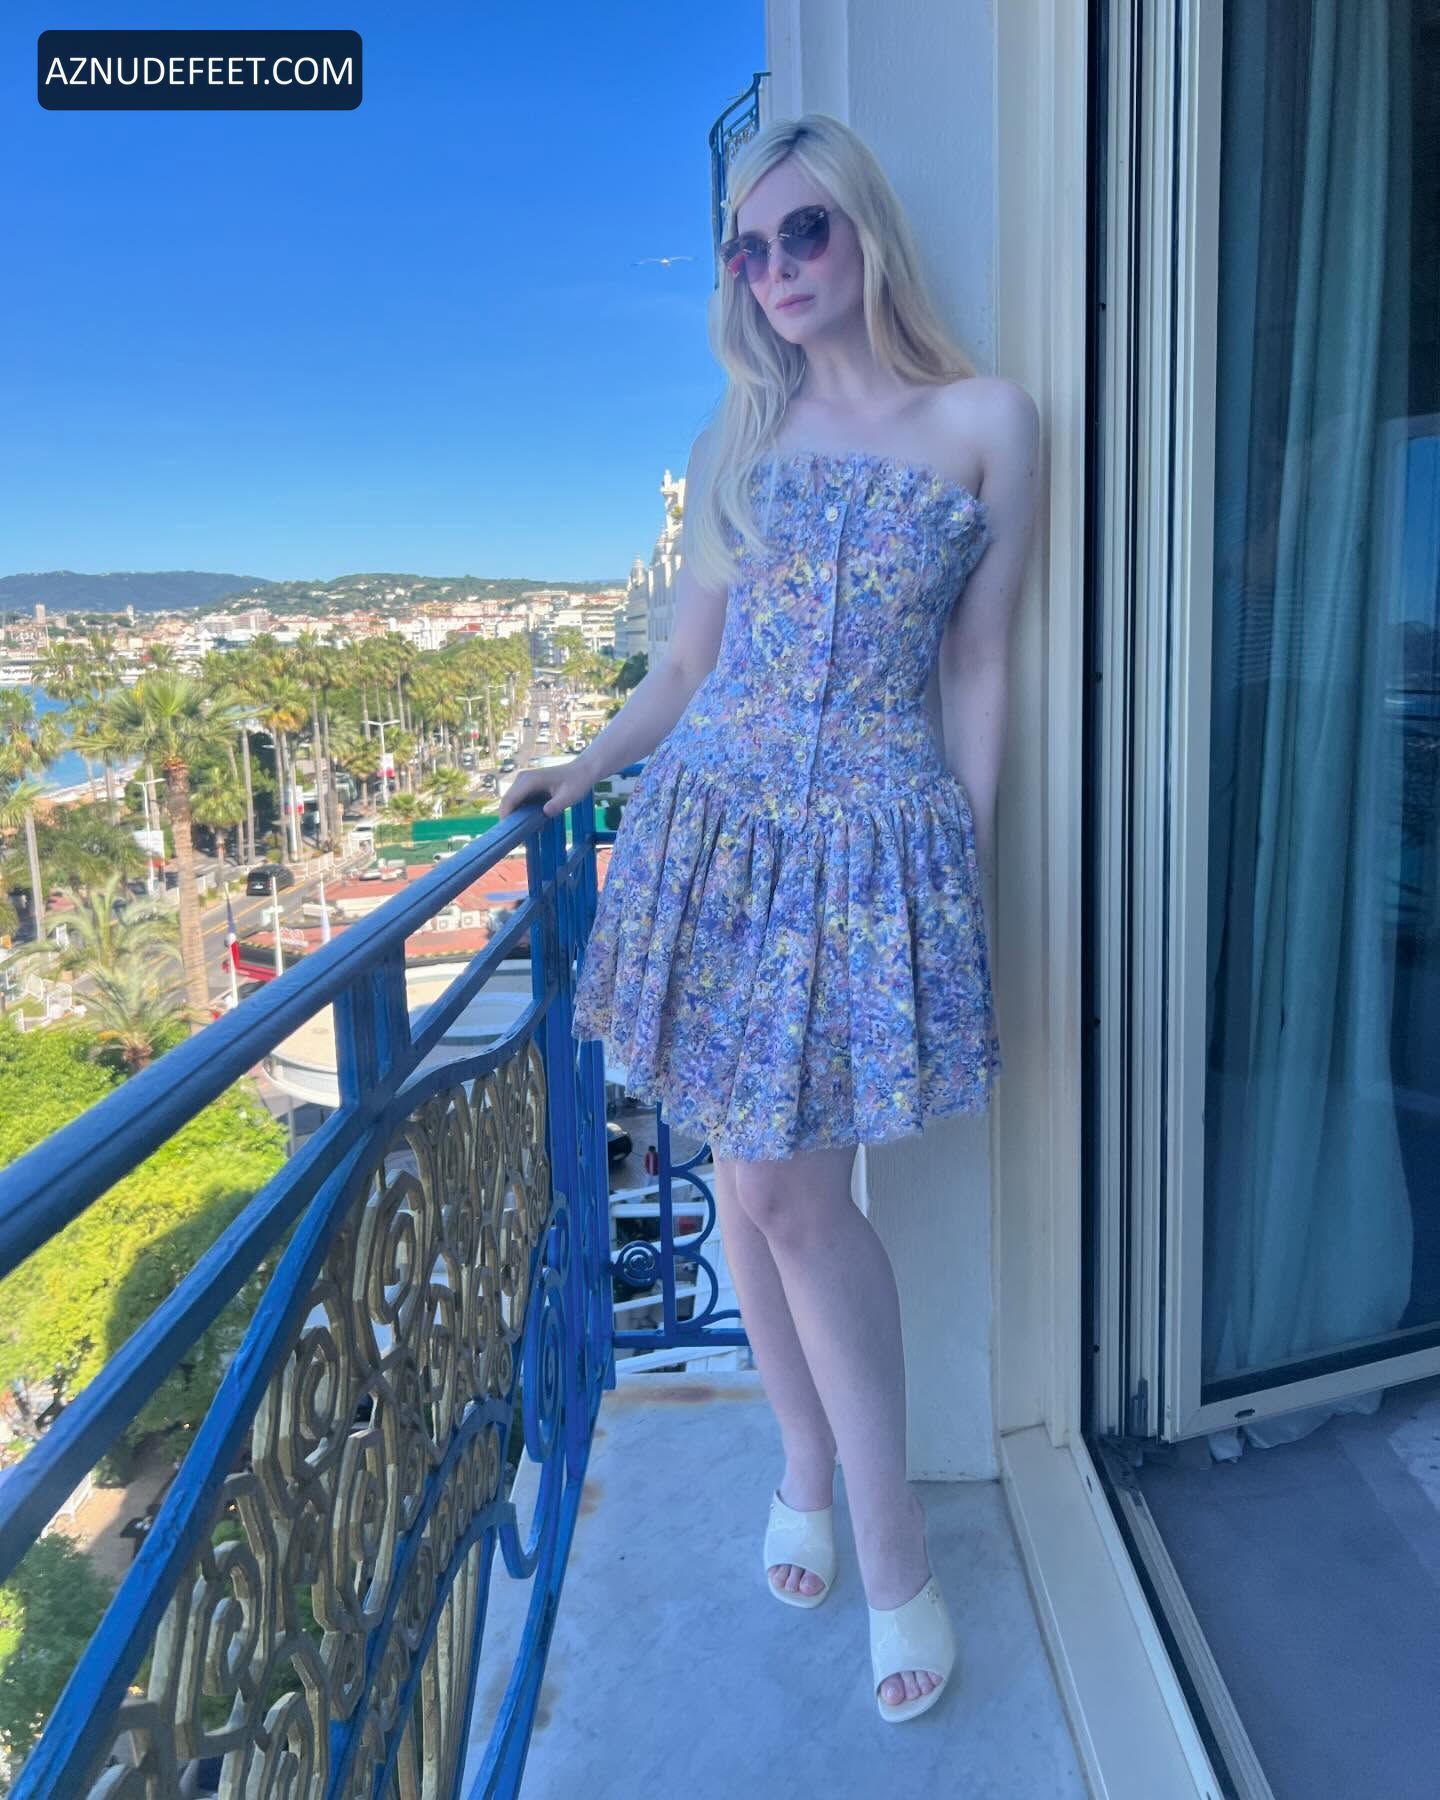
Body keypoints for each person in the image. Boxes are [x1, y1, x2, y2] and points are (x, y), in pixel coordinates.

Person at [499, 111, 1037, 1724]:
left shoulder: (990, 421)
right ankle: (811, 1469)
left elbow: (980, 663)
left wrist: (966, 854)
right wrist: (585, 766)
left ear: (865, 231)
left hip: (871, 850)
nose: (778, 266)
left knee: (789, 1189)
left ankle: (886, 1541)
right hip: (715, 835)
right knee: (752, 1172)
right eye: (750, 247)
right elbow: (685, 668)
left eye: (805, 230)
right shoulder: (738, 438)